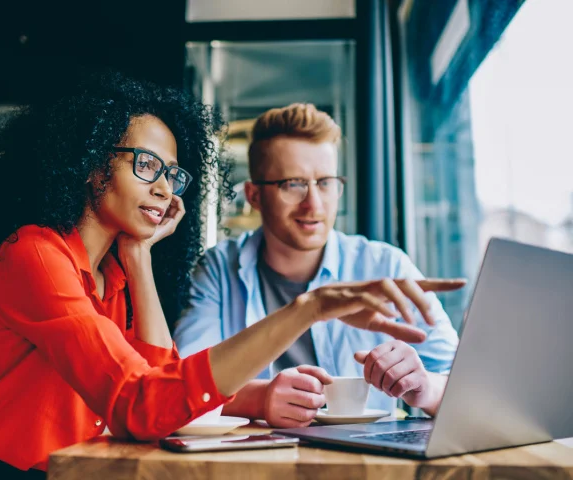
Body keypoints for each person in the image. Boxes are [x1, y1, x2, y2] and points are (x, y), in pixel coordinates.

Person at [0, 75, 463, 478]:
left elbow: (160, 394)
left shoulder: (112, 277)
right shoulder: (36, 256)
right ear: (92, 166)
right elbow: (145, 405)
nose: (165, 188)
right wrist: (309, 308)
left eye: (172, 173)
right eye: (146, 165)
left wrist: (138, 258)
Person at [174, 103, 463, 428]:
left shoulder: (385, 265)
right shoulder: (218, 269)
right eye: (293, 184)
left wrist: (423, 387)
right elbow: (181, 385)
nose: (314, 203)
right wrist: (260, 398)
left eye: (325, 182)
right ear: (254, 196)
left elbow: (465, 386)